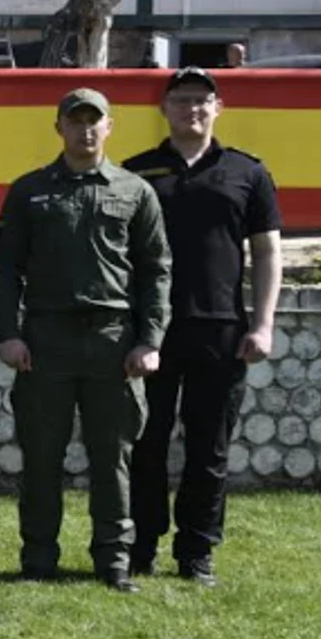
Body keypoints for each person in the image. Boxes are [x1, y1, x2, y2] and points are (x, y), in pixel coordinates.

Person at [0, 88, 171, 593]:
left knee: (111, 457)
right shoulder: (29, 191)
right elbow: (7, 271)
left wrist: (150, 338)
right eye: (75, 121)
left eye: (95, 121)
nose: (85, 130)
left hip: (113, 341)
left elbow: (157, 271)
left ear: (109, 127)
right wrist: (9, 334)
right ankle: (38, 559)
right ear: (59, 128)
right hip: (46, 339)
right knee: (42, 455)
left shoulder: (135, 191)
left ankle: (113, 560)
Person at [122, 67, 282, 587]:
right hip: (152, 330)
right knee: (146, 444)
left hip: (222, 331)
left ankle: (197, 552)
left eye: (202, 100)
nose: (192, 108)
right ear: (163, 109)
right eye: (182, 99)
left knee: (208, 449)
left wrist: (262, 324)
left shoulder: (247, 172)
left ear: (218, 108)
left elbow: (266, 251)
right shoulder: (136, 172)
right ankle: (142, 545)